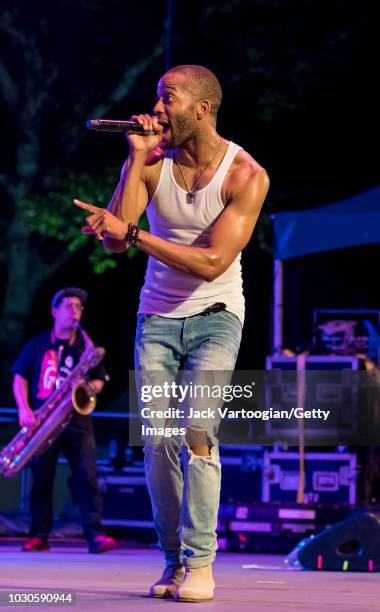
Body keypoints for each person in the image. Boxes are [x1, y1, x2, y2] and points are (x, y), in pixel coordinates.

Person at [74, 64, 269, 601]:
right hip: (156, 319)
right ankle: (173, 562)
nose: (156, 110)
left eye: (168, 100)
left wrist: (134, 234)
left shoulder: (245, 174)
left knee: (198, 432)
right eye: (157, 99)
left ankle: (202, 562)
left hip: (217, 315)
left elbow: (210, 262)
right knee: (158, 442)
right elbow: (114, 243)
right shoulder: (152, 162)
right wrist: (134, 161)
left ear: (201, 109)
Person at [11, 287, 117, 554]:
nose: (74, 311)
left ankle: (95, 535)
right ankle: (39, 535)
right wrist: (24, 409)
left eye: (78, 307)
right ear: (54, 311)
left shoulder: (85, 348)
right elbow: (19, 377)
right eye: (68, 306)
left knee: (87, 478)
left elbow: (99, 381)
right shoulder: (38, 343)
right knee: (41, 478)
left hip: (77, 422)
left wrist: (88, 387)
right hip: (43, 422)